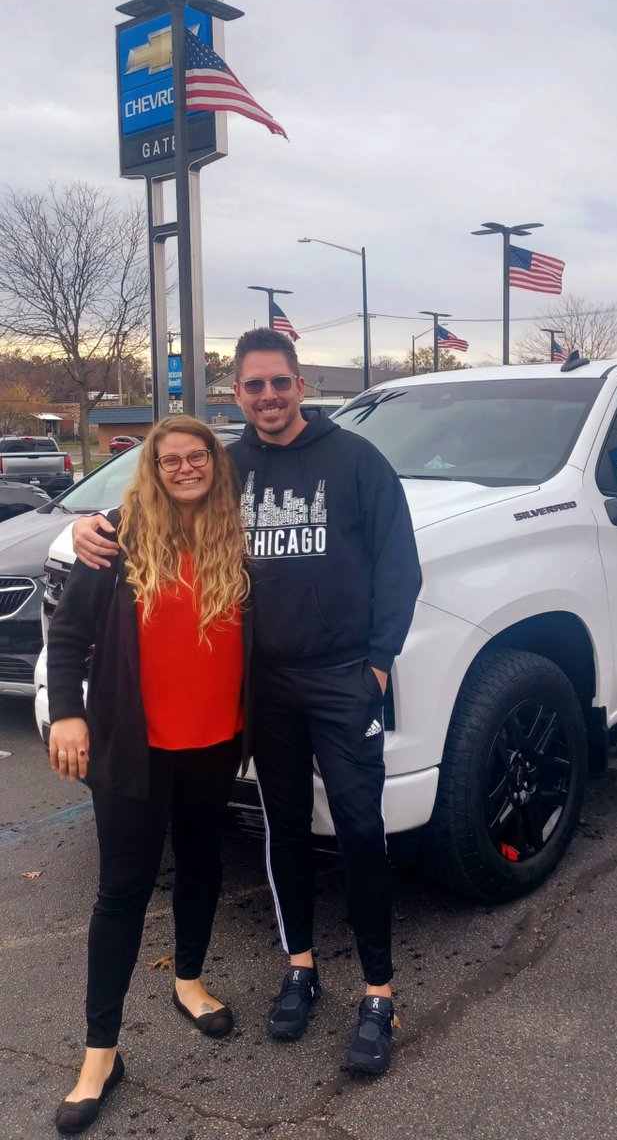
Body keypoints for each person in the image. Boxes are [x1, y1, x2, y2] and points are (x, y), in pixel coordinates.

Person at [72, 330, 421, 1076]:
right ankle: (300, 969)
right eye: (253, 386)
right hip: (263, 687)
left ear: (300, 386)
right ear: (237, 394)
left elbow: (399, 565)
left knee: (360, 830)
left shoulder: (357, 461)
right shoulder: (229, 465)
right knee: (283, 828)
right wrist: (85, 527)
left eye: (279, 383)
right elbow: (159, 494)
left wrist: (380, 665)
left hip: (339, 677)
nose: (267, 397)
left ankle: (377, 993)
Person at [49, 416, 250, 1135]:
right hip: (133, 746)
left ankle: (188, 982)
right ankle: (100, 1054)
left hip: (214, 742)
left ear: (214, 466)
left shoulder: (239, 536)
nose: (187, 468)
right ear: (153, 469)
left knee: (201, 866)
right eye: (172, 460)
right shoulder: (114, 538)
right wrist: (66, 714)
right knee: (122, 893)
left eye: (199, 457)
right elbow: (68, 634)